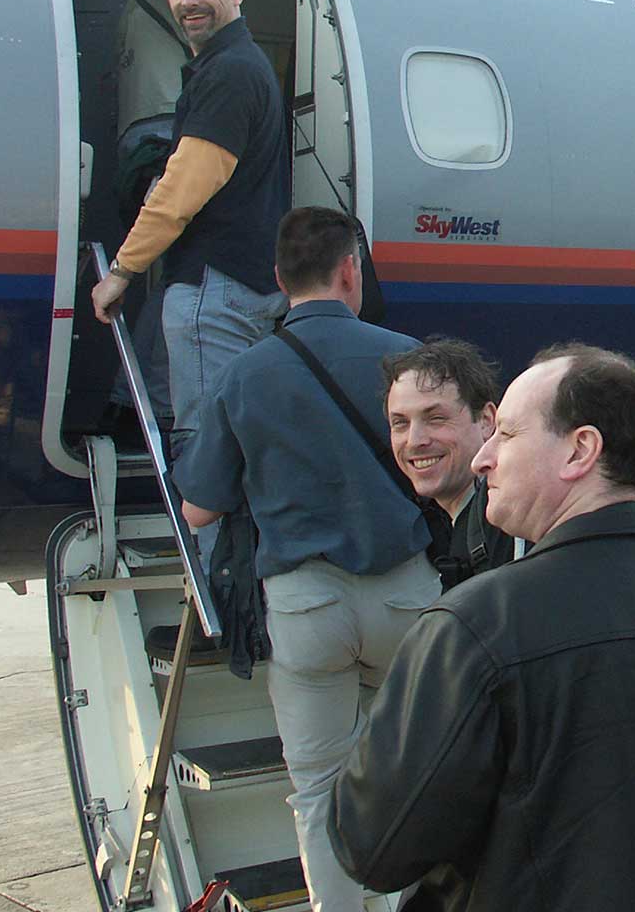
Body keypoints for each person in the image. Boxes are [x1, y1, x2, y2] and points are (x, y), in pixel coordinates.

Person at [329, 342, 635, 912]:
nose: (483, 459)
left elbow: (373, 847)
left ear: (580, 451)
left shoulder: (473, 628)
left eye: (506, 434)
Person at [175, 206, 441, 912]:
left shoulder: (245, 374)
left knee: (319, 790)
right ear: (351, 270)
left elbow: (197, 509)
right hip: (405, 599)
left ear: (278, 278)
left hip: (306, 605)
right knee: (411, 774)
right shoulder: (409, 361)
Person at [92, 0, 290, 495]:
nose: (187, 1)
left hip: (213, 289)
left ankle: (211, 552)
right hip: (233, 282)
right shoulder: (238, 65)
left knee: (207, 456)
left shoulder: (228, 73)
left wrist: (122, 271)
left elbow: (183, 188)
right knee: (223, 446)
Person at [384, 339, 515, 584]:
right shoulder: (478, 523)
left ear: (486, 420)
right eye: (400, 423)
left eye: (435, 418)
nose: (414, 441)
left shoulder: (513, 523)